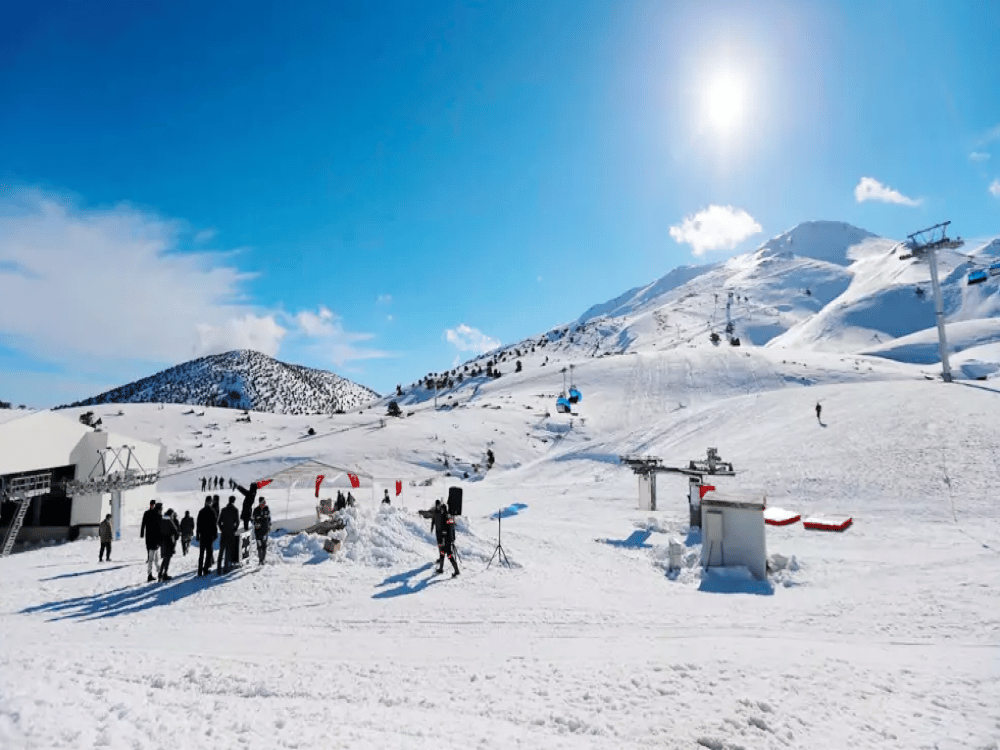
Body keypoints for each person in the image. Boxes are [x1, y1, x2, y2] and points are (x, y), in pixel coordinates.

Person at [433, 501, 460, 577]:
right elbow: (452, 528)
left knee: (448, 555)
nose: (440, 510)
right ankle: (442, 569)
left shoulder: (444, 517)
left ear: (443, 510)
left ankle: (456, 570)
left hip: (445, 540)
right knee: (444, 554)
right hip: (449, 540)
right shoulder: (449, 517)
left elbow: (444, 530)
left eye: (441, 509)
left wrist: (442, 540)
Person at [217, 496, 240, 574]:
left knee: (221, 550)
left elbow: (219, 522)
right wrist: (234, 529)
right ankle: (226, 568)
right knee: (228, 551)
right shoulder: (235, 510)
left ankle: (218, 568)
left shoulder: (223, 510)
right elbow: (238, 522)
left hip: (224, 532)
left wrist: (221, 528)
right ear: (234, 501)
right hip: (231, 533)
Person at [196, 496, 218, 576]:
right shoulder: (212, 511)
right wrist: (215, 534)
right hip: (209, 536)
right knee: (209, 553)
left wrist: (197, 534)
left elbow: (198, 524)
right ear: (210, 502)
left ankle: (199, 571)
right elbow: (214, 524)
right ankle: (205, 569)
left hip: (202, 535)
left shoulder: (201, 511)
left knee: (201, 553)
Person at [158, 509, 180, 581]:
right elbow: (175, 530)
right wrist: (176, 537)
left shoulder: (161, 520)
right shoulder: (170, 521)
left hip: (163, 542)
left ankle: (160, 573)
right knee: (168, 558)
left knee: (164, 558)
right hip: (169, 542)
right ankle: (165, 574)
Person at [143, 502, 162, 582]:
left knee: (150, 559)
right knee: (156, 559)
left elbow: (143, 524)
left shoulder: (148, 513)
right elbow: (159, 529)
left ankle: (149, 574)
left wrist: (142, 533)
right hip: (154, 541)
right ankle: (160, 573)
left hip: (149, 540)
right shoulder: (158, 515)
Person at [252, 497, 271, 565]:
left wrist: (269, 526)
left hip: (265, 530)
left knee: (264, 545)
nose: (263, 503)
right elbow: (252, 519)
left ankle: (263, 559)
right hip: (258, 531)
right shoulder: (256, 510)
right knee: (259, 546)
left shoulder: (266, 508)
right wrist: (255, 523)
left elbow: (269, 519)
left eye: (264, 501)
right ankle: (260, 560)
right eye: (262, 502)